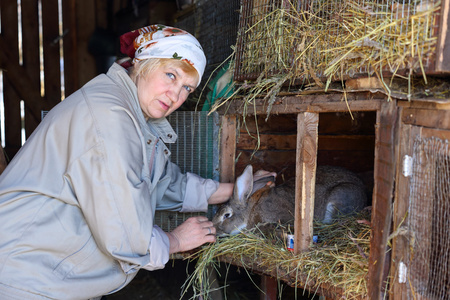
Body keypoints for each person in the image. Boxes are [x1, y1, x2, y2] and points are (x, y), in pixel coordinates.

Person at [0, 24, 246, 300]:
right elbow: (124, 233)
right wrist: (175, 241)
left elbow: (160, 182)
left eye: (186, 87)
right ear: (142, 64)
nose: (175, 95)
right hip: (25, 278)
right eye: (170, 75)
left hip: (40, 274)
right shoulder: (110, 117)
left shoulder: (130, 112)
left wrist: (235, 191)